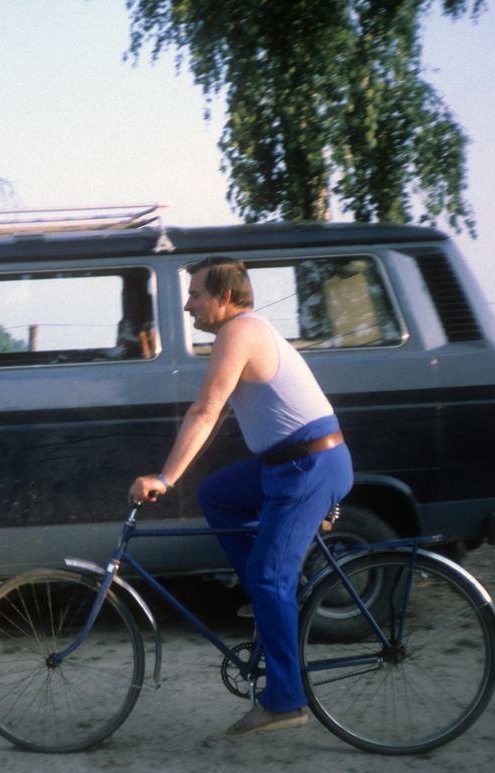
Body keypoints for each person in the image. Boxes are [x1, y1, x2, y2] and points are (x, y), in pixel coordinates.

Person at [129, 256, 353, 737]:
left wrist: (166, 478)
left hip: (307, 467)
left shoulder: (240, 333)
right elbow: (220, 412)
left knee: (270, 578)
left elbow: (205, 410)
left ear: (225, 297)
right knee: (216, 494)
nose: (187, 304)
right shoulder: (241, 334)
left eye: (195, 294)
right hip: (287, 464)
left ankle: (285, 700)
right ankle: (266, 588)